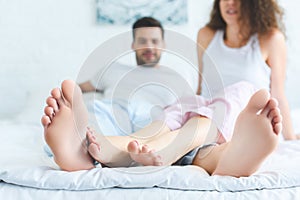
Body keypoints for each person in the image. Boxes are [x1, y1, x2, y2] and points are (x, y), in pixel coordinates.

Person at [42, 79, 282, 177]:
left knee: (238, 90)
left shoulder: (269, 41)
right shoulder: (206, 34)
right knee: (174, 119)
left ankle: (127, 149)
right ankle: (230, 158)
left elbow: (277, 89)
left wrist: (291, 134)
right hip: (199, 128)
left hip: (240, 107)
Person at [196, 0, 300, 140]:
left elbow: (278, 96)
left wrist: (290, 137)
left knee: (238, 92)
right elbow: (200, 88)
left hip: (246, 127)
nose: (230, 2)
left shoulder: (271, 39)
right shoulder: (206, 35)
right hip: (206, 122)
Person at [77, 16, 197, 137]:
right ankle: (96, 146)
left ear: (163, 45)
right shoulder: (113, 69)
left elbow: (192, 109)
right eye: (142, 41)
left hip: (153, 120)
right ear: (133, 45)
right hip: (115, 113)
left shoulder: (178, 78)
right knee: (95, 108)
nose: (149, 47)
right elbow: (77, 88)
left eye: (154, 41)